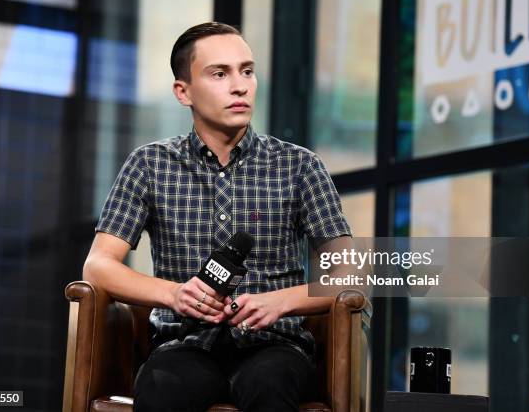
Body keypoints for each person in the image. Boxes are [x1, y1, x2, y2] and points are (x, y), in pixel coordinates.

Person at [83, 22, 353, 411]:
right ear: (183, 92)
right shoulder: (150, 164)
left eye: (247, 71)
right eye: (220, 74)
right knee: (163, 387)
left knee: (269, 385)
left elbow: (350, 274)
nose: (240, 86)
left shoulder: (299, 166)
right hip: (184, 344)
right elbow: (98, 266)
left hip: (275, 345)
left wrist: (280, 302)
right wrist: (173, 294)